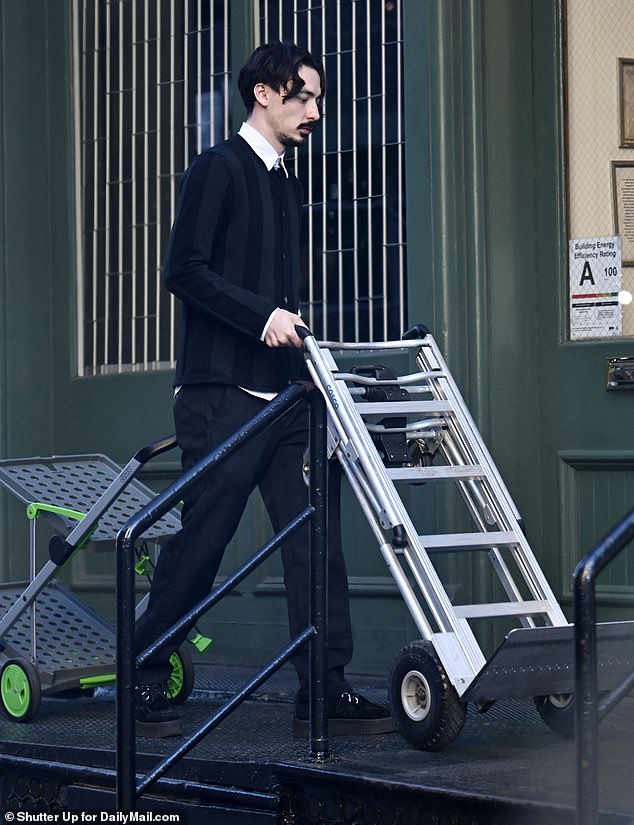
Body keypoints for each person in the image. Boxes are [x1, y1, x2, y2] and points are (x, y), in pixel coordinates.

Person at [133, 41, 394, 739]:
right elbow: (182, 270)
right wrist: (263, 316)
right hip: (220, 391)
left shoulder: (285, 179)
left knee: (316, 533)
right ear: (264, 96)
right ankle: (147, 668)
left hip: (286, 397)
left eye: (320, 99)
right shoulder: (216, 168)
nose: (317, 111)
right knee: (205, 539)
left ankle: (324, 685)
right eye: (303, 96)